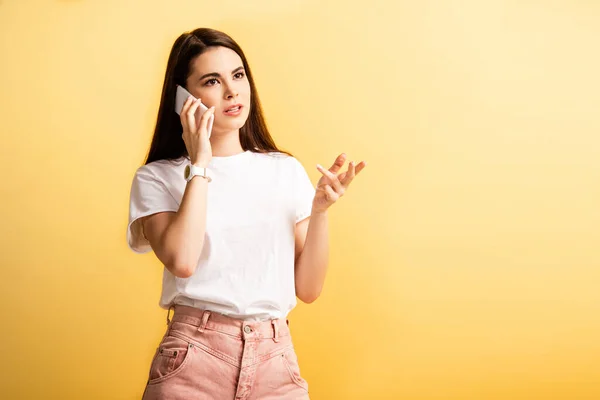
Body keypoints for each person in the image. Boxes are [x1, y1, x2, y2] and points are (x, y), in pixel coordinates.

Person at [126, 27, 366, 400]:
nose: (232, 91)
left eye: (238, 75)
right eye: (212, 81)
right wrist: (200, 162)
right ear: (183, 98)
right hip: (193, 358)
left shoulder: (284, 170)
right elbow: (183, 261)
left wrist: (320, 212)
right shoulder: (158, 177)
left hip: (275, 358)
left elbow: (309, 290)